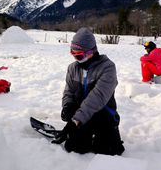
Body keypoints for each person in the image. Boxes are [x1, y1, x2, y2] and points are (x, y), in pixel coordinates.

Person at [52, 27, 125, 155]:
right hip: (82, 116)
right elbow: (68, 91)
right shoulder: (72, 68)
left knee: (109, 151)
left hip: (103, 115)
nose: (76, 58)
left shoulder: (107, 68)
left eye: (79, 55)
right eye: (72, 54)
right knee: (75, 148)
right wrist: (67, 106)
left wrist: (75, 121)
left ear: (91, 51)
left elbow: (97, 97)